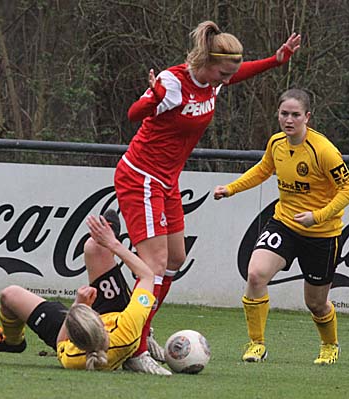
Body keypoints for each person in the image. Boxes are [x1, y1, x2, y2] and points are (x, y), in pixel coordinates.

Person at [115, 20, 302, 373]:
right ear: (206, 62)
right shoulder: (173, 83)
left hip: (167, 181)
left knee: (175, 258)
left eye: (230, 74)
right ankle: (135, 351)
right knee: (154, 265)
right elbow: (133, 114)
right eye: (223, 73)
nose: (227, 80)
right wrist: (154, 98)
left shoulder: (214, 81)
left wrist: (276, 60)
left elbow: (240, 71)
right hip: (141, 177)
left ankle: (142, 325)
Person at [213, 89, 349, 365]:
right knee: (255, 275)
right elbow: (262, 170)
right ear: (278, 114)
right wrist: (231, 188)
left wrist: (318, 216)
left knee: (316, 303)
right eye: (284, 114)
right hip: (284, 224)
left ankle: (330, 345)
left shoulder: (323, 150)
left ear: (307, 117)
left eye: (295, 115)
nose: (289, 120)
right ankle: (257, 344)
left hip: (321, 234)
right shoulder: (276, 143)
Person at [0, 210, 171, 375]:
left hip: (81, 329)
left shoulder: (74, 357)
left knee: (9, 295)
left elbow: (60, 342)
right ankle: (142, 346)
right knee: (97, 246)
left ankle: (11, 340)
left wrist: (78, 304)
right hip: (116, 314)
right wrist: (113, 243)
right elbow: (147, 275)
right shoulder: (127, 327)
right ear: (99, 320)